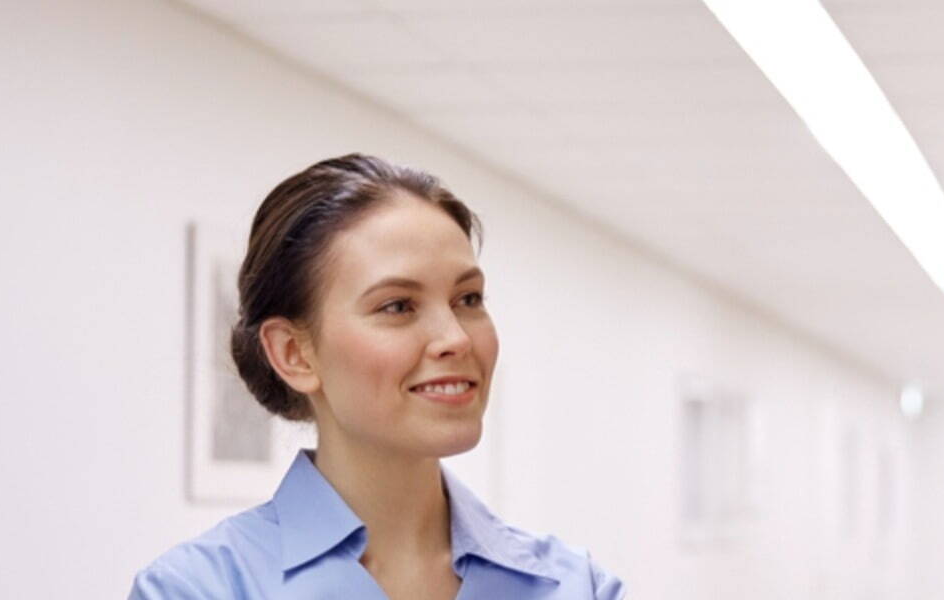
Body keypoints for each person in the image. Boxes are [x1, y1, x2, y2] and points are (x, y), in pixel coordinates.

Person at [131, 154, 623, 600]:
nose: (455, 337)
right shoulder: (199, 590)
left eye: (468, 299)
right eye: (397, 306)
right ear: (294, 354)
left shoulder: (576, 587)